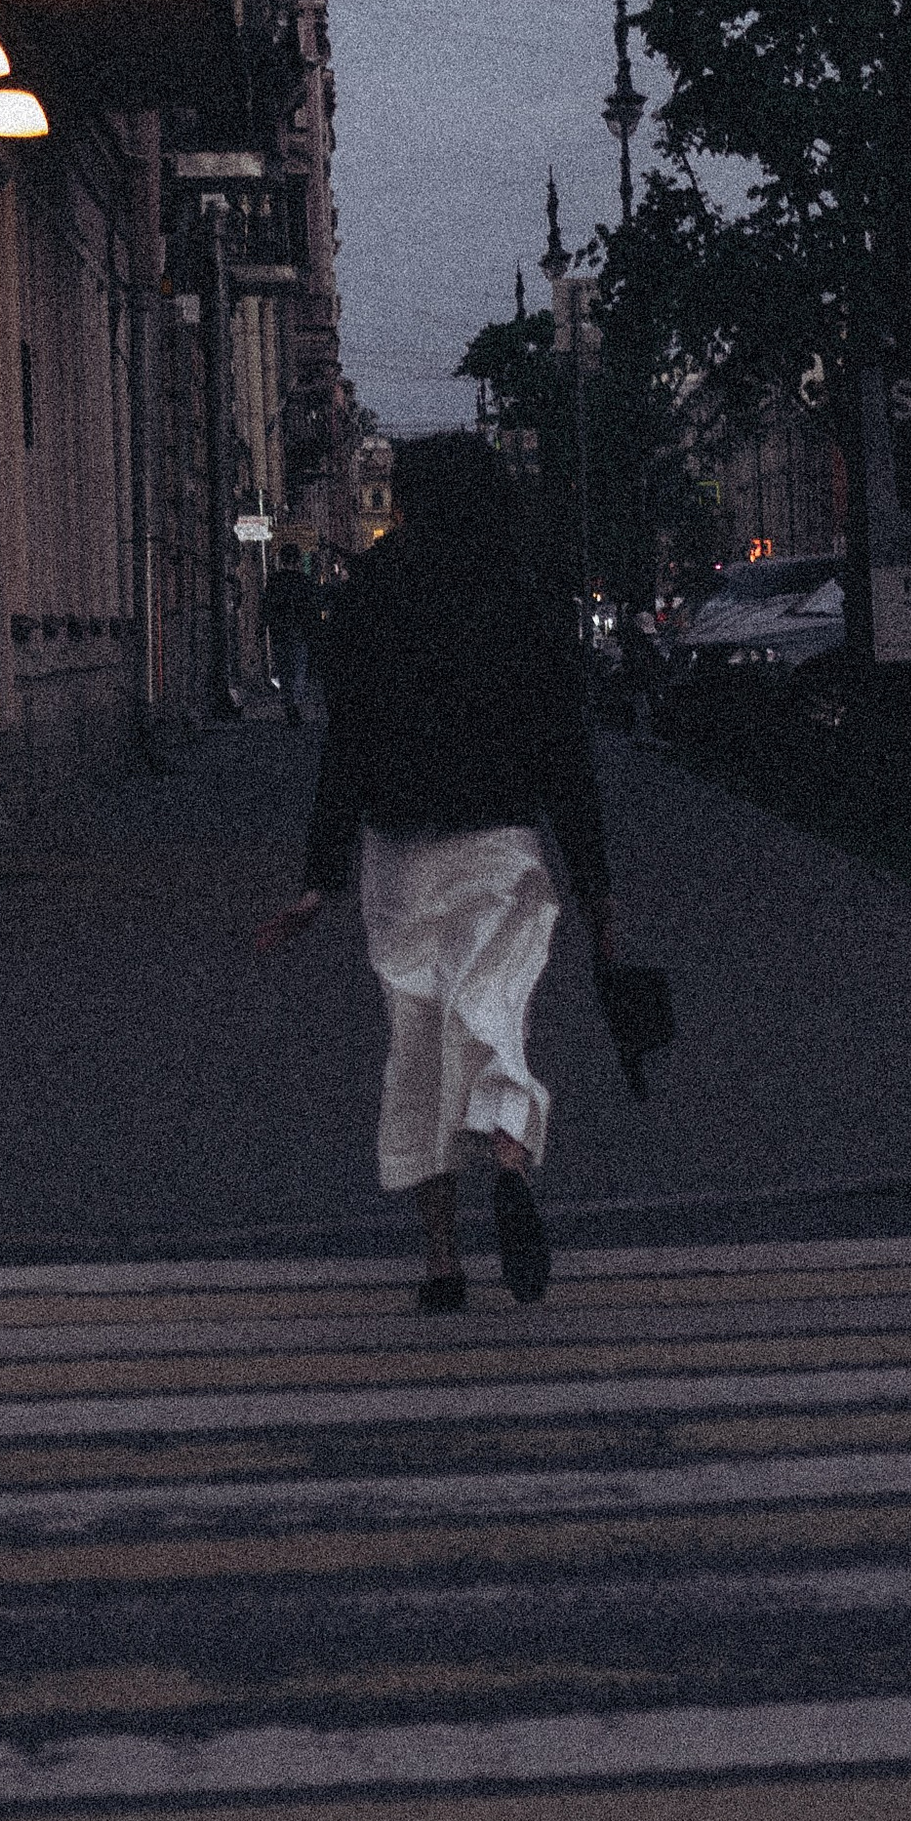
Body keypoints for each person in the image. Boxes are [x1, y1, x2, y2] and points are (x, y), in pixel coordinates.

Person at [254, 433, 613, 1311]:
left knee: (416, 1047)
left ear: (408, 499)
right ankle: (507, 1151)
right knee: (494, 1019)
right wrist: (601, 898)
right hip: (504, 848)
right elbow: (567, 757)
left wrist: (317, 878)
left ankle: (443, 1264)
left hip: (401, 857)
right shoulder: (525, 598)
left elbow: (345, 748)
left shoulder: (371, 597)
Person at [261, 541, 322, 728]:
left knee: (285, 670)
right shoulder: (303, 581)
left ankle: (289, 703)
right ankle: (293, 702)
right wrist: (315, 629)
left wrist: (262, 625)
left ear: (281, 560)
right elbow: (312, 607)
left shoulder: (274, 580)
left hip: (280, 631)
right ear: (297, 560)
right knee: (298, 669)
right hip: (299, 632)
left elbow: (267, 605)